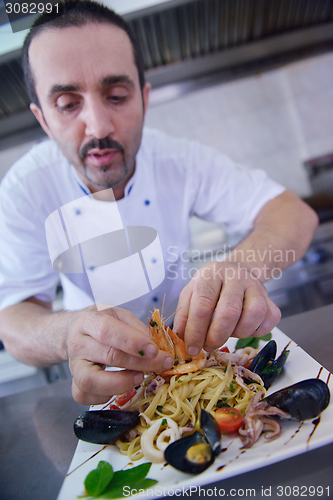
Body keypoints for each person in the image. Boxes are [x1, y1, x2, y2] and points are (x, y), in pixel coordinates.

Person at [0, 1, 318, 405]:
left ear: (145, 99)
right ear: (42, 119)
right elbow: (14, 319)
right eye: (67, 104)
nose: (98, 126)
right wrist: (69, 333)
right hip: (108, 385)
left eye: (116, 96)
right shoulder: (24, 189)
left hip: (199, 356)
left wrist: (240, 268)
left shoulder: (178, 160)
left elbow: (291, 212)